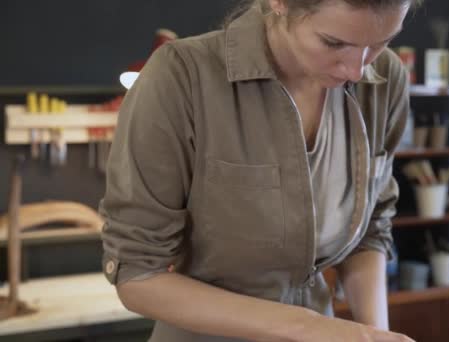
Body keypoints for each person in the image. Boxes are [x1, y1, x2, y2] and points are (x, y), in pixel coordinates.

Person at [100, 0, 418, 341]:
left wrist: (374, 335)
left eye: (381, 42)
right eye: (333, 43)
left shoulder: (383, 80)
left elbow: (369, 232)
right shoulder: (182, 77)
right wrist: (310, 328)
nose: (356, 71)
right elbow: (137, 275)